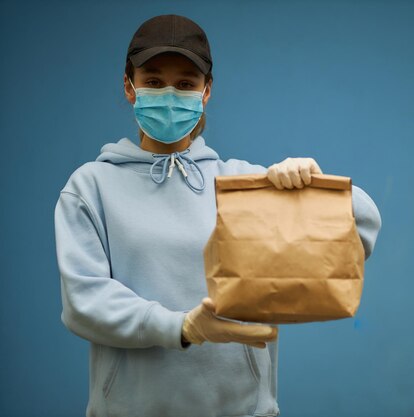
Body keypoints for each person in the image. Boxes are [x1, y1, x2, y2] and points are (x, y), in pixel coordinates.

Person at [54, 14, 382, 417]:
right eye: (154, 81)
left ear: (206, 91)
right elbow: (83, 301)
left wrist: (309, 187)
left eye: (186, 83)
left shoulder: (242, 185)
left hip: (242, 409)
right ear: (129, 86)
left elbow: (362, 226)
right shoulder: (90, 188)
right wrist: (181, 327)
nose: (169, 93)